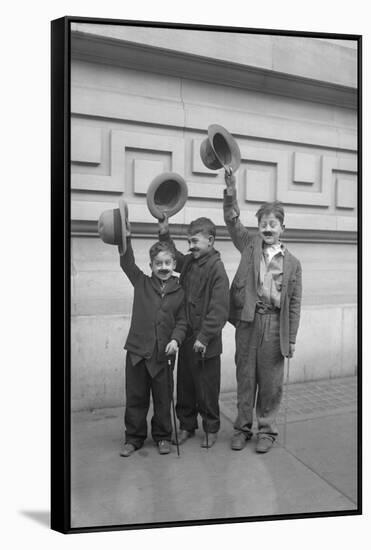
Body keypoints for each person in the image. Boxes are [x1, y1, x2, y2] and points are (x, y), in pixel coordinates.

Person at [223, 171, 302, 453]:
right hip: (248, 320)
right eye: (263, 224)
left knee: (270, 381)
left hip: (274, 324)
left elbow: (294, 304)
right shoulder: (249, 245)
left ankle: (266, 430)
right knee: (245, 376)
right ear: (257, 228)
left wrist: (290, 338)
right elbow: (232, 221)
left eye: (273, 224)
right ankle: (243, 428)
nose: (268, 228)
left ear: (282, 228)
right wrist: (230, 189)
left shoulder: (293, 263)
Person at [119, 211, 187, 457]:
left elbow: (182, 321)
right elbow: (126, 263)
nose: (163, 267)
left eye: (167, 263)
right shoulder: (141, 282)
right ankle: (134, 437)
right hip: (137, 353)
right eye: (158, 264)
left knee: (162, 399)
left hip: (163, 356)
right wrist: (125, 238)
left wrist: (175, 340)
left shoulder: (180, 291)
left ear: (174, 265)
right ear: (151, 266)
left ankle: (162, 436)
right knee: (136, 397)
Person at [158, 216, 229, 448]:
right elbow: (174, 257)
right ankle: (186, 425)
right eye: (189, 242)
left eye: (195, 241)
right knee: (185, 386)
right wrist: (164, 233)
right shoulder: (189, 262)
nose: (190, 246)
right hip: (187, 339)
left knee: (207, 388)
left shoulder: (217, 269)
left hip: (206, 344)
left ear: (210, 240)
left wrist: (204, 336)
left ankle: (211, 428)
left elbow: (219, 310)